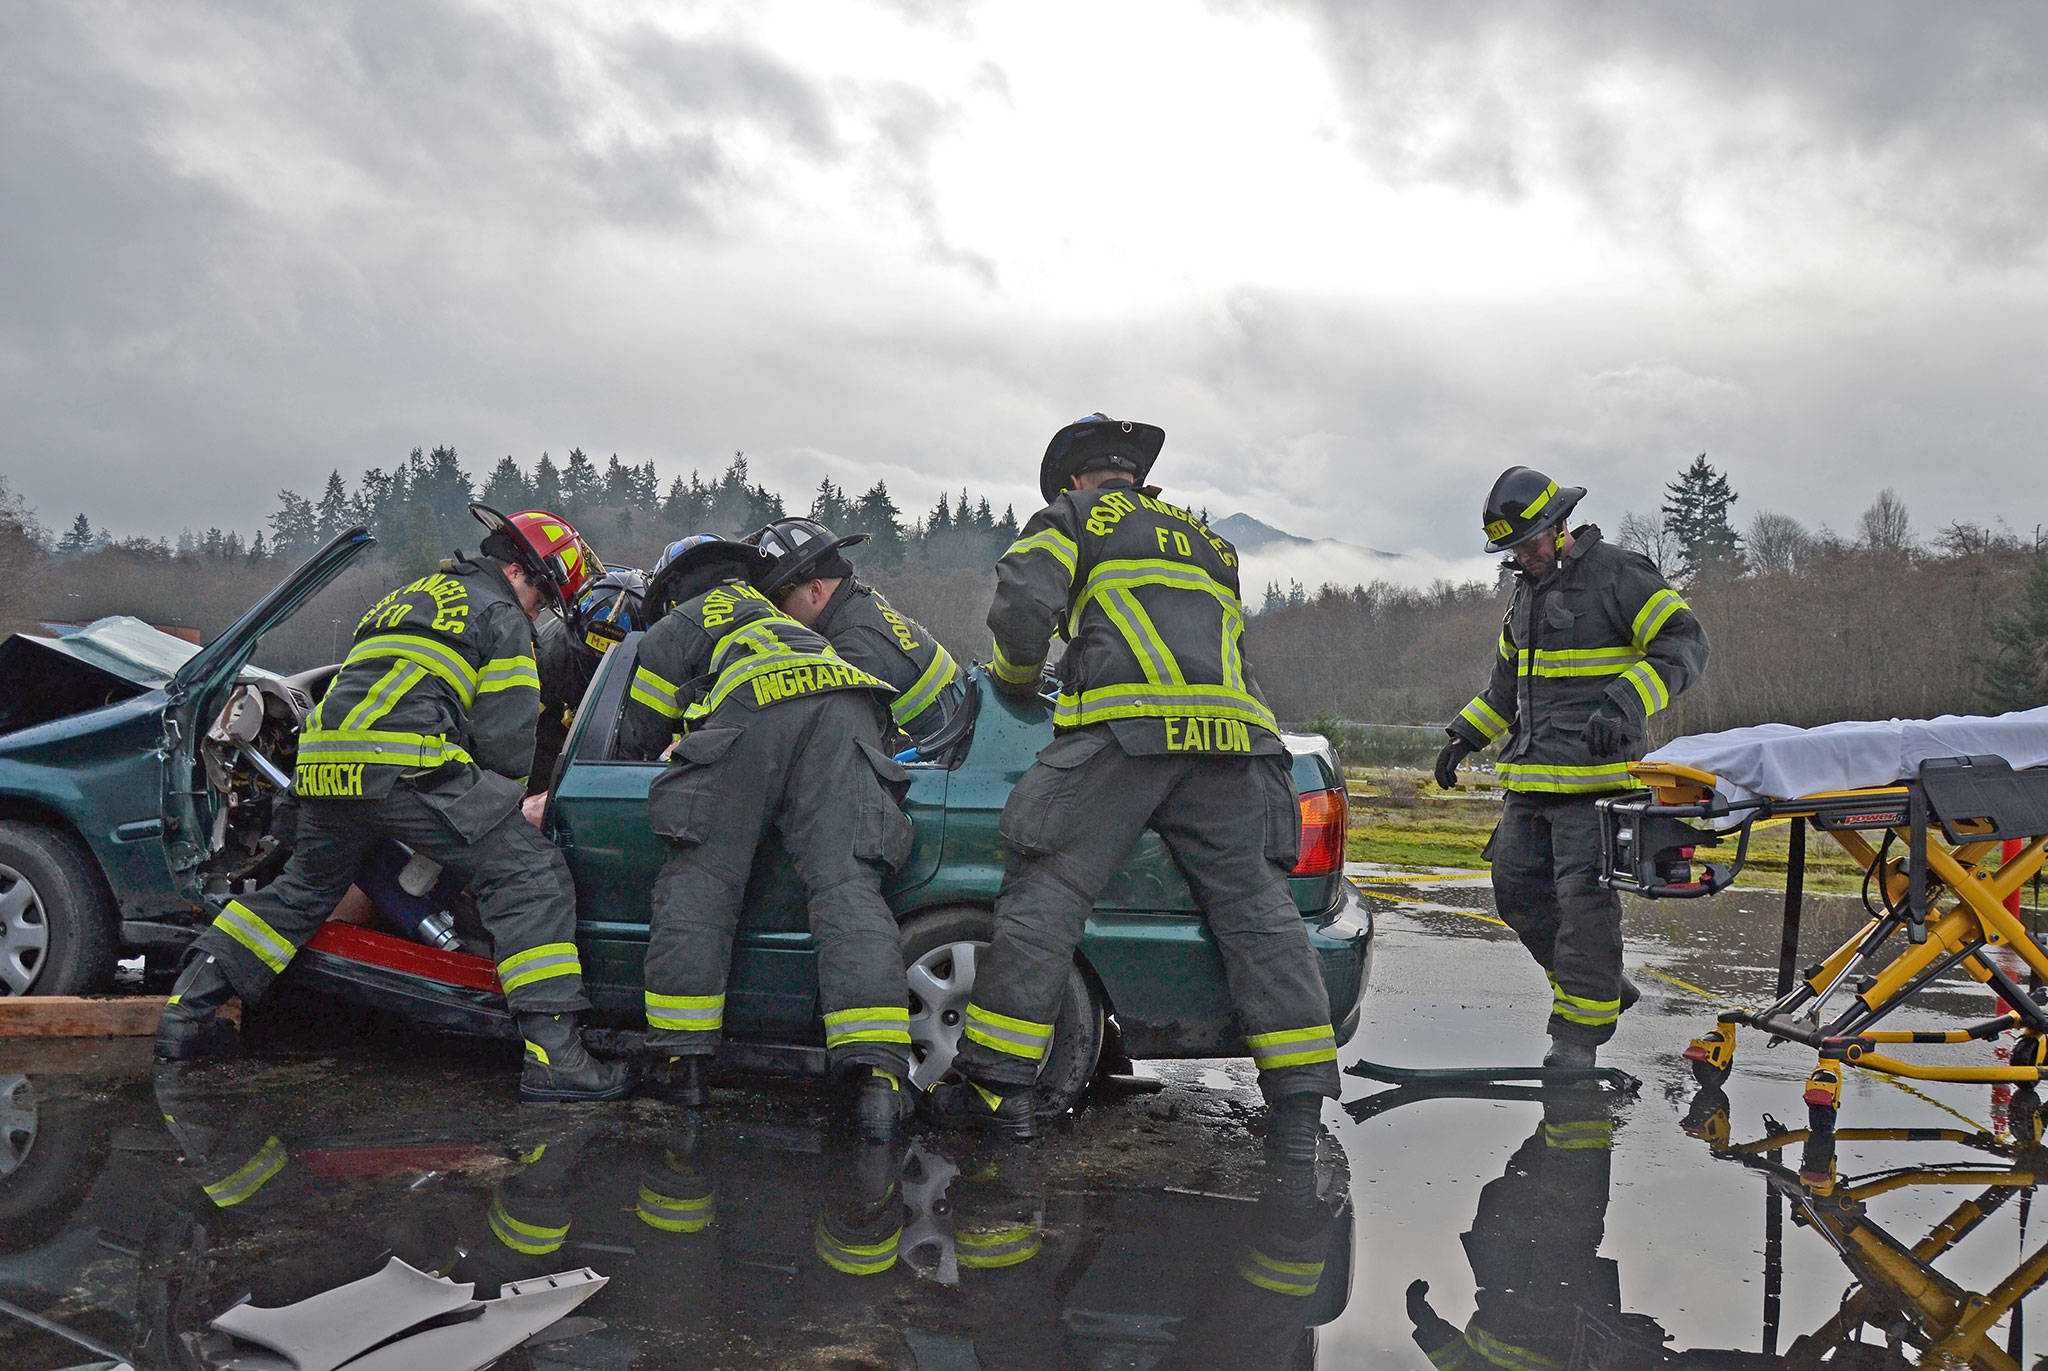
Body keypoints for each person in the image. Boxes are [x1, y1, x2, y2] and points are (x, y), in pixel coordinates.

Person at [926, 413, 1341, 1159]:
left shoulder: (1075, 517)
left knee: (1045, 889)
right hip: (1237, 744)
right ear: (1139, 479)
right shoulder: (1207, 539)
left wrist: (1021, 680)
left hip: (1125, 733)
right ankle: (1302, 1105)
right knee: (1258, 912)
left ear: (1076, 480)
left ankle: (1001, 1088)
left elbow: (1023, 605)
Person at [155, 505, 633, 1104]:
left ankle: (186, 1011)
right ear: (520, 574)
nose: (538, 614)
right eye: (542, 600)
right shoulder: (501, 614)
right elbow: (507, 738)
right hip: (403, 767)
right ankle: (555, 1056)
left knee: (303, 891)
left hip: (326, 770)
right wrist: (502, 808)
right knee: (531, 874)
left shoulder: (407, 596)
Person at [619, 535, 918, 1140]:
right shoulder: (780, 619)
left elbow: (632, 743)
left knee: (701, 880)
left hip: (753, 707)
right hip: (847, 705)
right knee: (848, 888)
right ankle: (877, 1086)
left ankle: (683, 1067)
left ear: (672, 589)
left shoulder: (677, 627)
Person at [1435, 467, 1709, 1068]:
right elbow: (1505, 689)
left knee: (1584, 909)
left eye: (1530, 542)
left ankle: (1577, 1042)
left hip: (1598, 790)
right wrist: (1463, 736)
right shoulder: (1524, 595)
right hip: (1530, 786)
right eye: (1512, 548)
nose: (1522, 556)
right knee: (1516, 896)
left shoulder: (1619, 574)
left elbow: (1684, 644)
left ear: (1559, 527)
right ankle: (1605, 988)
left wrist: (1626, 698)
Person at [745, 517, 965, 747]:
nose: (778, 612)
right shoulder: (860, 602)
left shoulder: (851, 646)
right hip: (949, 739)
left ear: (814, 590)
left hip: (936, 756)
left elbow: (847, 742)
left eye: (779, 600)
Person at [532, 565, 648, 792]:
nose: (597, 663)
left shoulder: (654, 661)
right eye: (592, 654)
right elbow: (518, 727)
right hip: (546, 741)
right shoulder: (545, 655)